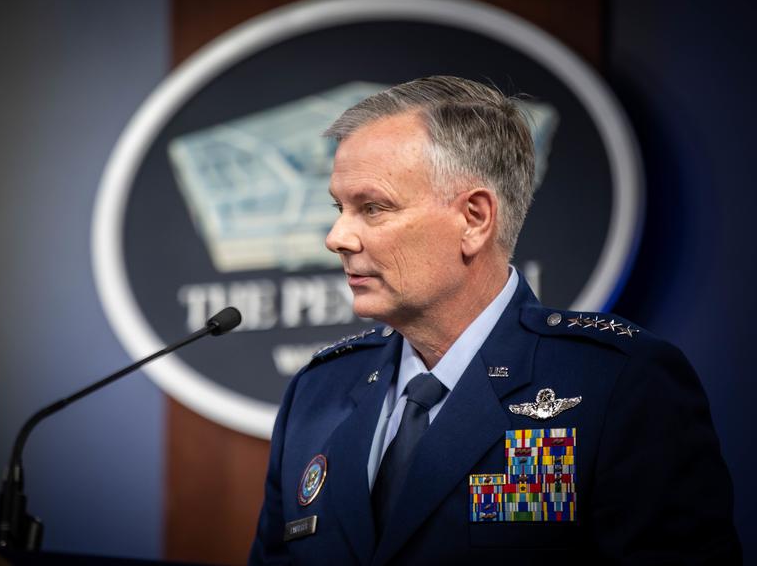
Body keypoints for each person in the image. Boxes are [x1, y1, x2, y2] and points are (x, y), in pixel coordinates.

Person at [249, 76, 740, 564]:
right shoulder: (317, 394)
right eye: (339, 208)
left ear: (475, 219)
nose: (337, 237)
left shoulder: (617, 382)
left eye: (372, 208)